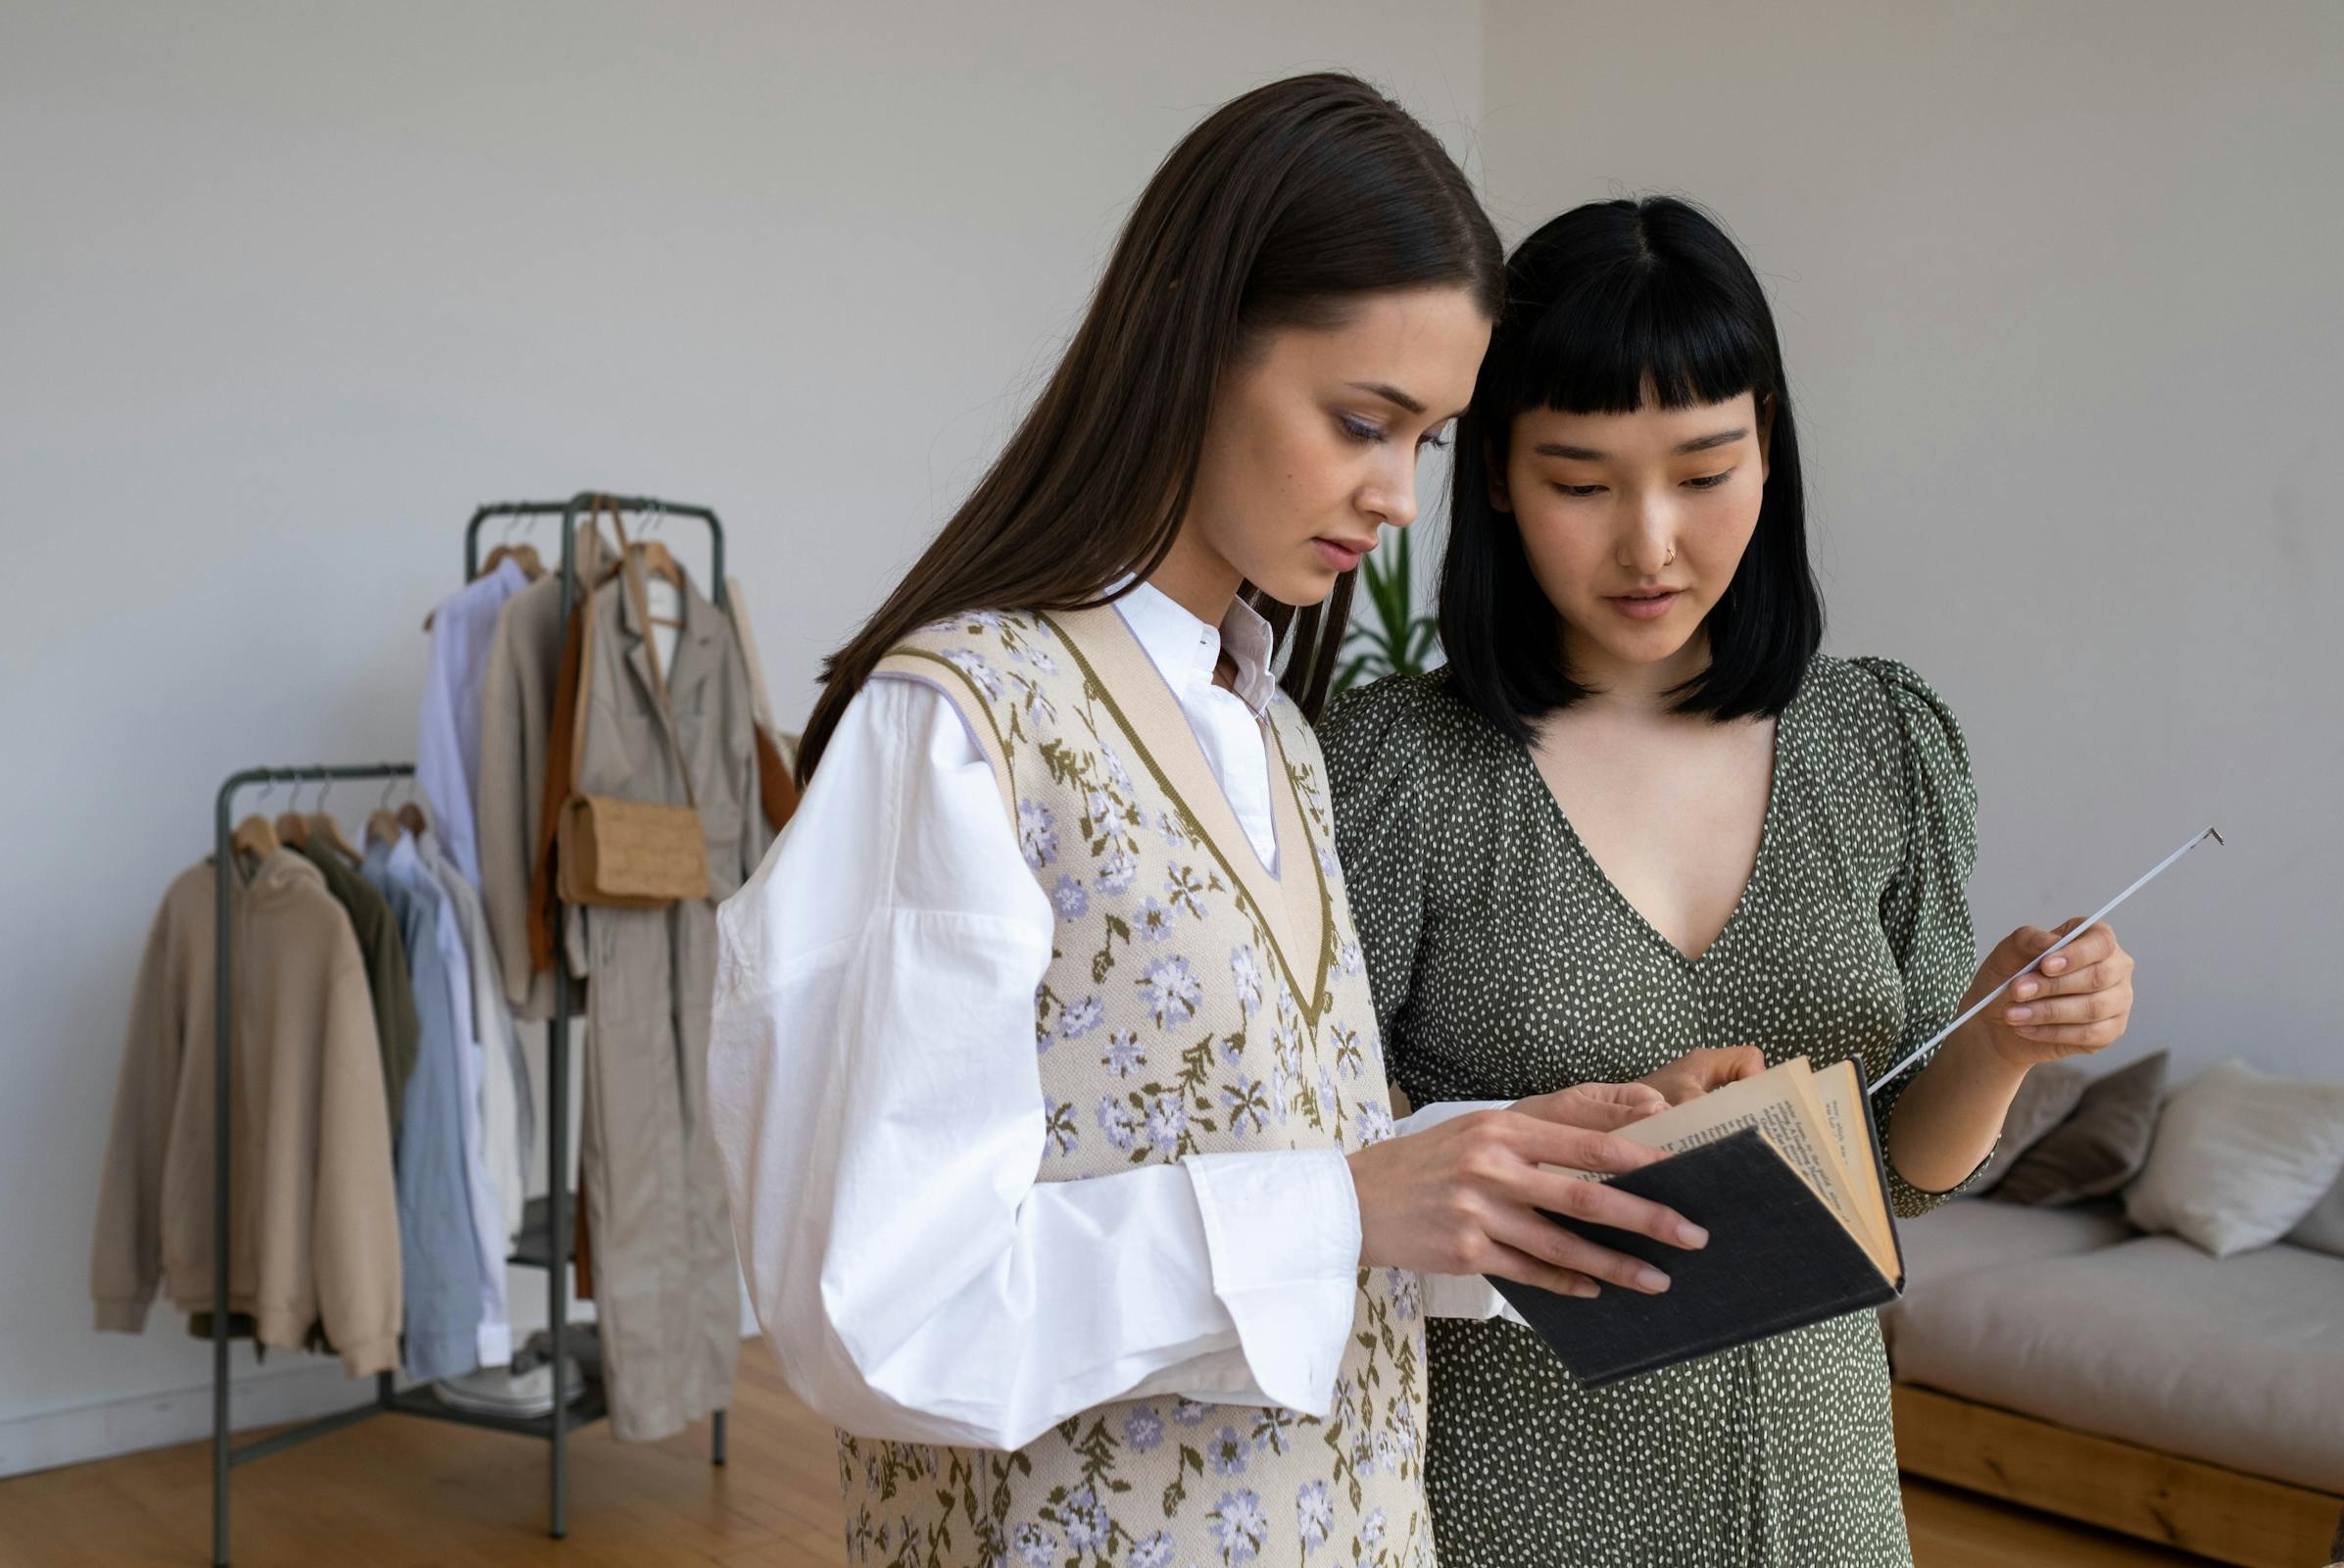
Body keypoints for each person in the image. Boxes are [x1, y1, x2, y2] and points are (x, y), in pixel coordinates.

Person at [708, 78, 1706, 1568]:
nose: (1395, 500)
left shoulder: (1272, 734)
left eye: (1426, 441)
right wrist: (1349, 1207)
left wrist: (1491, 1165)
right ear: (1193, 338)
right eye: (1364, 421)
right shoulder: (962, 729)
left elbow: (1268, 1156)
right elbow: (887, 1310)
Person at [1321, 196, 2138, 1567]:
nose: (1651, 543)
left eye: (1705, 474)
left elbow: (1903, 1176)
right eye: (1583, 484)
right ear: (1502, 481)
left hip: (1821, 1494)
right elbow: (1325, 1159)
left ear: (1772, 454)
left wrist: (1999, 1035)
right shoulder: (1407, 772)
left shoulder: (1875, 746)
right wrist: (1593, 1139)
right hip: (1512, 1496)